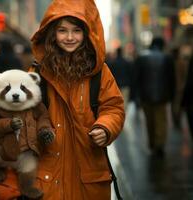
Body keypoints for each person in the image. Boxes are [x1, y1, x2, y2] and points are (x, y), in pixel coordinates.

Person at [27, 0, 125, 199]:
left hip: (89, 179)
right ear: (53, 33)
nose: (69, 37)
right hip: (47, 178)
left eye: (76, 31)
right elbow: (24, 111)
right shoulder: (37, 72)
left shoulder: (99, 72)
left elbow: (113, 107)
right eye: (62, 30)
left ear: (87, 33)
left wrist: (105, 127)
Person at [133, 37, 175, 157]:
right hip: (162, 96)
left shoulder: (141, 57)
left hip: (145, 96)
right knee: (161, 121)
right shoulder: (167, 58)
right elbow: (171, 79)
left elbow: (136, 78)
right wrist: (172, 96)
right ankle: (159, 145)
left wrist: (135, 97)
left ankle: (152, 144)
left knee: (149, 121)